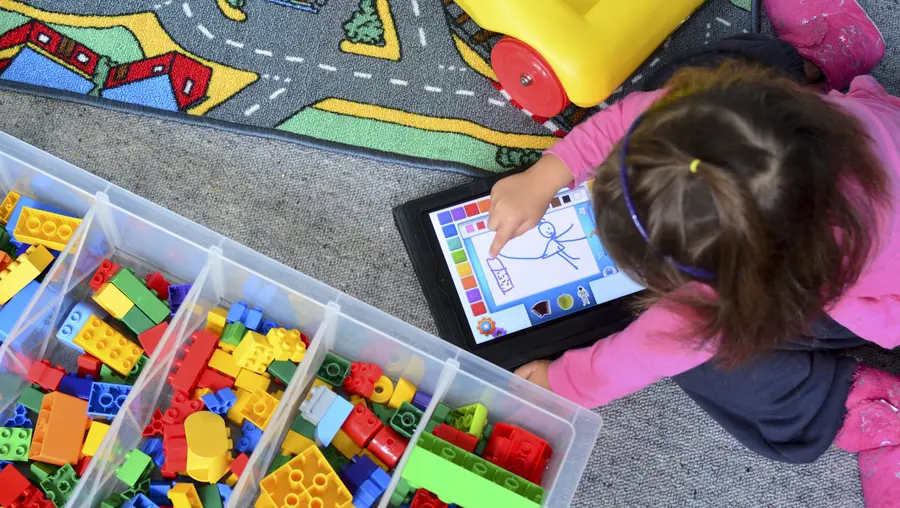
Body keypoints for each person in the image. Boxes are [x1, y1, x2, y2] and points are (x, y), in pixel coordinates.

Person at [488, 1, 900, 505]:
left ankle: (872, 411)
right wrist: (548, 172)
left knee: (720, 363)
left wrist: (559, 382)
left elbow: (648, 350)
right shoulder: (741, 109)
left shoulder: (757, 280)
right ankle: (820, 57)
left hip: (874, 285)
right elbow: (649, 115)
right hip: (863, 148)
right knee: (706, 75)